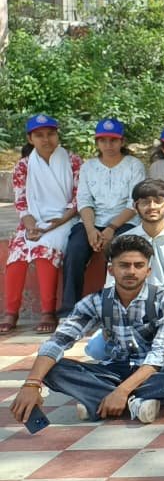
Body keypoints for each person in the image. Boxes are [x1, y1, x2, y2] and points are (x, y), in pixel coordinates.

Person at [10, 235, 164, 426]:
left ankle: (99, 399)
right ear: (111, 270)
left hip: (152, 371)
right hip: (114, 369)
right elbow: (58, 341)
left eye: (138, 265)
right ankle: (137, 401)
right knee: (51, 370)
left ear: (148, 271)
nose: (131, 271)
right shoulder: (96, 301)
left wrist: (122, 391)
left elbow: (160, 355)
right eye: (124, 265)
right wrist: (31, 384)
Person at [84, 180, 164, 360]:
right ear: (135, 207)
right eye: (144, 202)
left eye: (157, 201)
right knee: (96, 349)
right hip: (134, 312)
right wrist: (110, 321)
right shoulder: (124, 240)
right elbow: (111, 285)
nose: (151, 207)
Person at [59, 118, 147, 323]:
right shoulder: (89, 167)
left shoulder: (134, 166)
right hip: (92, 222)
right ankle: (69, 311)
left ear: (122, 141)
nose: (108, 145)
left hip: (124, 221)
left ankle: (114, 311)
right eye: (103, 140)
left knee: (119, 251)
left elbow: (133, 203)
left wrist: (111, 228)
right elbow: (84, 201)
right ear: (97, 142)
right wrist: (90, 230)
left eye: (113, 140)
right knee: (75, 249)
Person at [3, 115, 81, 333]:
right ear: (30, 139)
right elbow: (21, 202)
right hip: (34, 221)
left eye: (51, 134)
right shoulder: (23, 166)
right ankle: (11, 311)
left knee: (44, 250)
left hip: (64, 219)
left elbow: (78, 198)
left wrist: (57, 222)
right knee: (17, 253)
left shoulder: (74, 161)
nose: (46, 139)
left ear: (57, 135)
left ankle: (48, 311)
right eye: (39, 135)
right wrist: (30, 226)